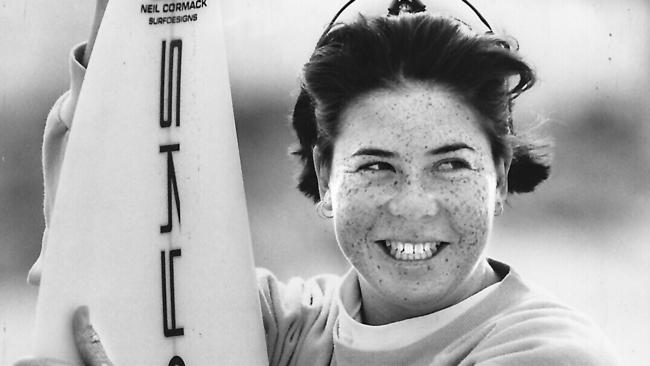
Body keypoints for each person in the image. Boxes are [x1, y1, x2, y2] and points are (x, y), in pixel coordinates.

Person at [18, 0, 618, 365]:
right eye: (376, 165)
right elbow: (112, 214)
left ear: (501, 179)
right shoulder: (282, 329)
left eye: (451, 164)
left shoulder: (548, 353)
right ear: (326, 178)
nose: (413, 205)